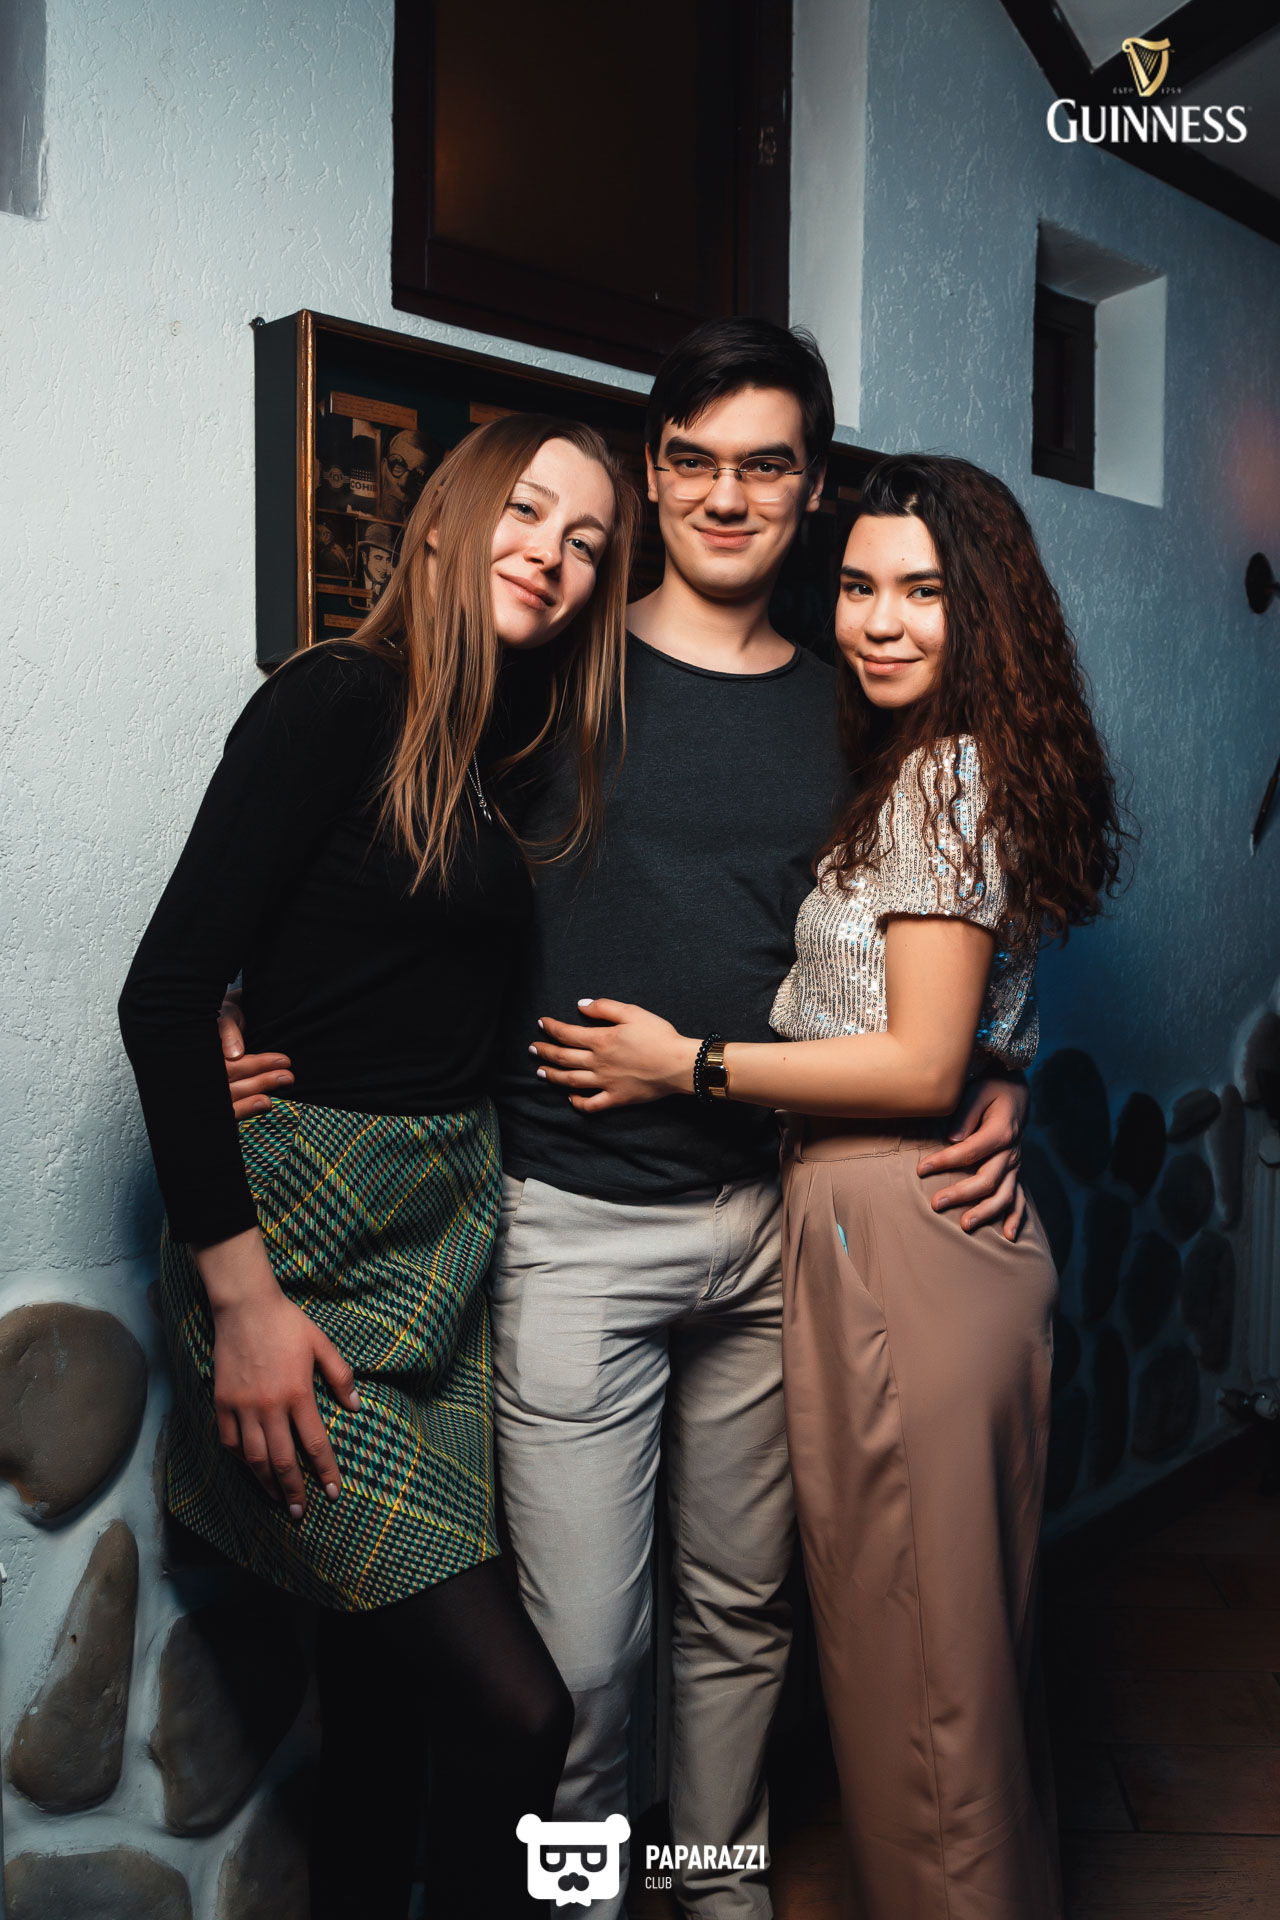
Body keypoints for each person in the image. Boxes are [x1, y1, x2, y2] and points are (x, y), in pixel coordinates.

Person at [221, 324, 1031, 1920]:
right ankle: (578, 1909)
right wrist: (239, 1010)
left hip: (775, 1227)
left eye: (767, 465)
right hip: (570, 1228)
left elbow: (933, 926)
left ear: (812, 489)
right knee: (586, 1663)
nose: (728, 496)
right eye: (695, 462)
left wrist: (999, 1069)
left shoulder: (855, 709)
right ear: (655, 478)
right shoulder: (547, 671)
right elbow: (377, 860)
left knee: (741, 1625)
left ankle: (717, 1893)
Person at [532, 453, 1127, 1919]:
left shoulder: (940, 775)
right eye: (860, 587)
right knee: (937, 1673)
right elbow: (957, 1022)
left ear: (985, 610)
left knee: (918, 1687)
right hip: (853, 1226)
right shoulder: (935, 763)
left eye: (923, 592)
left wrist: (688, 1066)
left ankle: (733, 1892)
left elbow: (920, 1062)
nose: (881, 620)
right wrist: (1001, 1067)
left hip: (893, 1232)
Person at [119, 412, 639, 1920]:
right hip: (298, 1258)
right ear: (447, 515)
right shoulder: (341, 696)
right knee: (517, 1711)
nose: (550, 554)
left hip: (438, 1249)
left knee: (387, 1707)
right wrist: (244, 1308)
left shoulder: (507, 749)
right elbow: (164, 993)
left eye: (586, 542)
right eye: (527, 511)